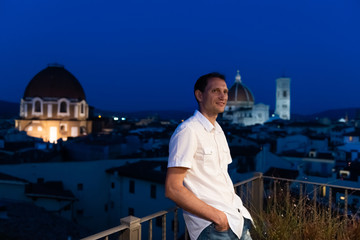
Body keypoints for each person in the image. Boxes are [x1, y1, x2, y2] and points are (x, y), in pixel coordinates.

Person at [165, 72, 253, 240]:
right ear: (199, 95)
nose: (223, 96)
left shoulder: (218, 131)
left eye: (226, 92)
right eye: (215, 91)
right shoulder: (188, 131)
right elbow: (172, 188)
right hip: (214, 228)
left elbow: (221, 176)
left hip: (236, 219)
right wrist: (218, 218)